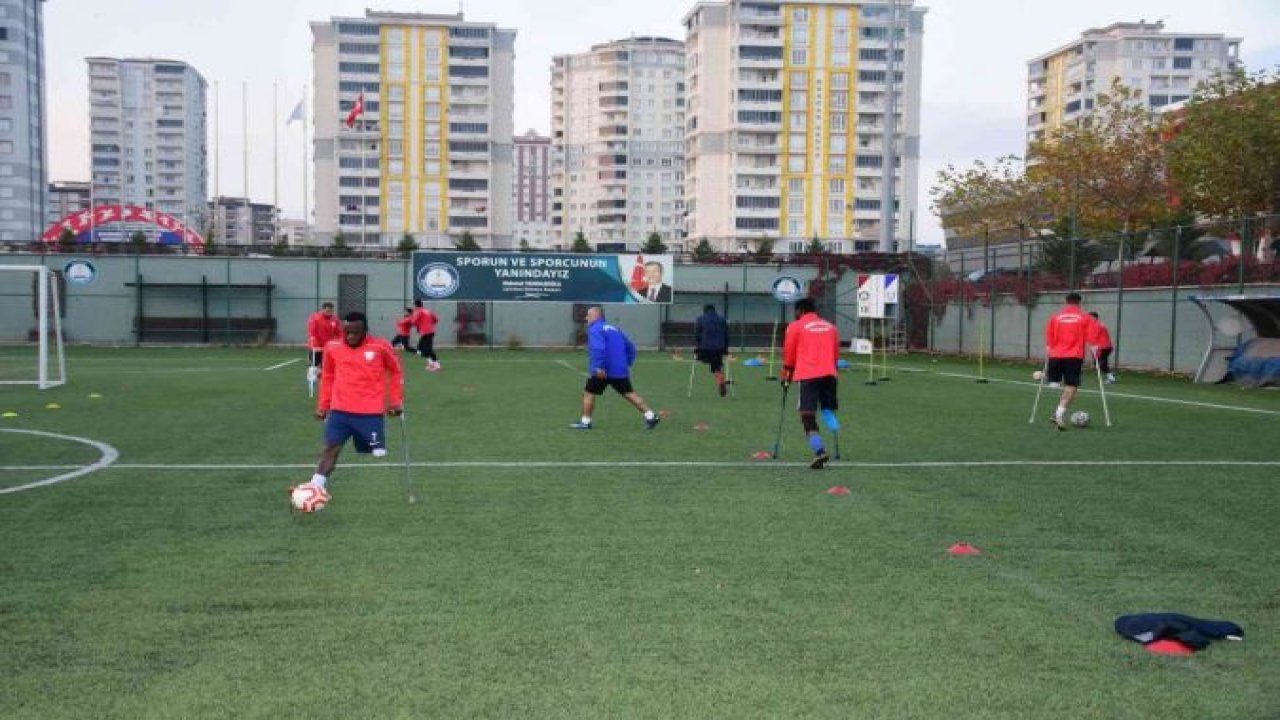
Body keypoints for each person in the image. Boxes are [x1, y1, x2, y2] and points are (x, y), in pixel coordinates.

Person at [294, 311, 404, 505]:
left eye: (356, 332)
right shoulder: (332, 347)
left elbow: (395, 371)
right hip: (340, 410)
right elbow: (328, 377)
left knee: (375, 452)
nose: (351, 336)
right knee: (331, 448)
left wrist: (395, 402)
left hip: (370, 412)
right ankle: (315, 487)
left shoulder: (380, 346)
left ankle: (374, 447)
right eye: (347, 332)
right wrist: (323, 406)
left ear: (365, 330)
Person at [570, 306, 660, 430]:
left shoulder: (595, 329)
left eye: (588, 315)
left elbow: (598, 348)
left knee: (589, 393)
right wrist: (626, 363)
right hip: (619, 370)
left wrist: (599, 366)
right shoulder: (615, 329)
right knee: (629, 393)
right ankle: (651, 416)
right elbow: (631, 348)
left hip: (603, 371)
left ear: (596, 316)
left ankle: (585, 422)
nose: (586, 318)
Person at [781, 297, 841, 469]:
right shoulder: (831, 327)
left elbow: (789, 354)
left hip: (808, 375)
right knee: (828, 409)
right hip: (829, 373)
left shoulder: (795, 326)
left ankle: (819, 451)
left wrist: (786, 377)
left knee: (807, 415)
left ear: (800, 311)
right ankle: (835, 434)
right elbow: (836, 353)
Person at [1045, 293, 1098, 431]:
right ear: (1079, 303)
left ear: (1066, 302)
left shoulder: (1055, 317)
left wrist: (1049, 347)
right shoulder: (1086, 317)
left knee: (1055, 383)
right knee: (1071, 386)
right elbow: (1092, 334)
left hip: (1055, 355)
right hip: (1073, 356)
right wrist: (1094, 347)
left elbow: (1049, 334)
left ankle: (1049, 379)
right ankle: (1058, 414)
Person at [695, 303, 730, 397]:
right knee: (716, 366)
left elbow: (697, 335)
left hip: (705, 348)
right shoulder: (722, 319)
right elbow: (726, 336)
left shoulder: (700, 319)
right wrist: (725, 349)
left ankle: (719, 378)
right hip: (719, 348)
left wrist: (697, 348)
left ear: (704, 310)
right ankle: (721, 379)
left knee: (705, 360)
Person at [306, 302, 342, 384]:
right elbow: (312, 333)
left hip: (329, 347)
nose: (329, 313)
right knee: (314, 364)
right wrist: (315, 345)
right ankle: (312, 376)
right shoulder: (315, 318)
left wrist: (339, 343)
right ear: (323, 310)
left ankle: (324, 377)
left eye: (331, 311)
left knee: (327, 364)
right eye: (328, 311)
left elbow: (339, 333)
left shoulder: (335, 320)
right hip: (316, 346)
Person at [411, 299, 442, 371]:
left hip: (426, 332)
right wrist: (429, 325)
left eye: (414, 305)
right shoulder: (427, 311)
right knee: (420, 348)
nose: (414, 307)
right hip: (429, 332)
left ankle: (437, 364)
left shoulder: (418, 311)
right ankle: (431, 363)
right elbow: (436, 319)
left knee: (427, 349)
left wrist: (419, 325)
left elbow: (413, 322)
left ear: (416, 305)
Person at [1088, 311, 1116, 384]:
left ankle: (1111, 378)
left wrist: (1093, 346)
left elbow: (1094, 337)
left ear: (1093, 317)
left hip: (1103, 347)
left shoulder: (1096, 325)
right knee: (1100, 363)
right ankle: (1110, 374)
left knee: (1100, 364)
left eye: (1089, 317)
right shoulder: (1098, 324)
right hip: (1105, 347)